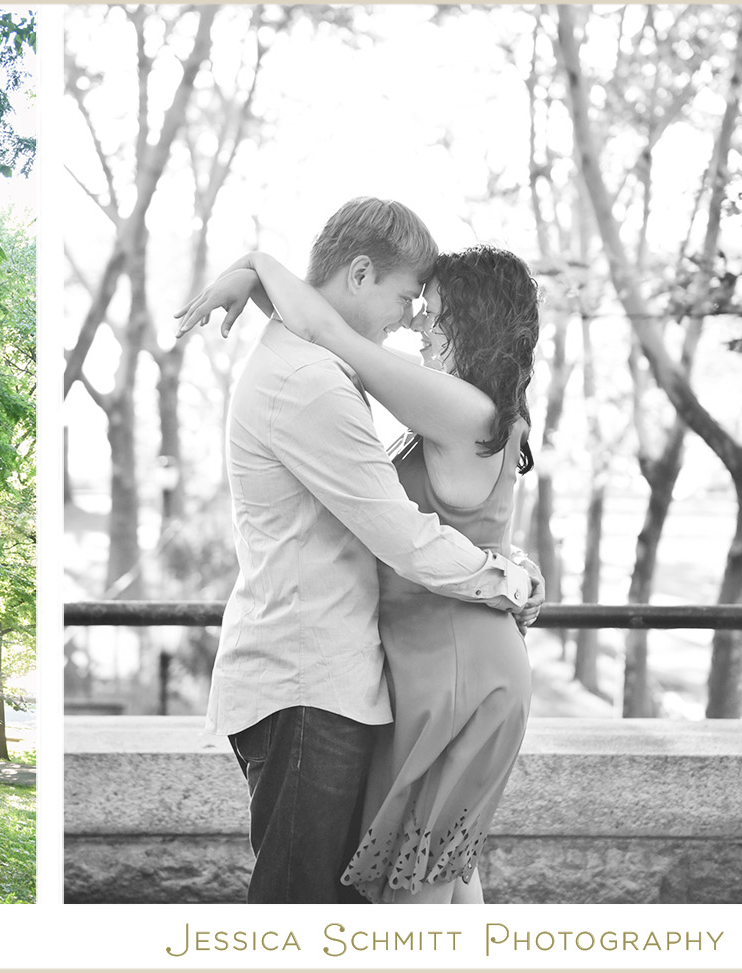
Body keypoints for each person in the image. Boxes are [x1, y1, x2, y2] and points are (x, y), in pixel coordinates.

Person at [172, 197, 542, 904]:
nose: (414, 322)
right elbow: (405, 533)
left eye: (430, 312)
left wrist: (255, 265)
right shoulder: (312, 379)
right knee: (394, 888)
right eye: (411, 301)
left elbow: (320, 326)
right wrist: (504, 573)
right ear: (364, 271)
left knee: (418, 887)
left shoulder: (449, 403)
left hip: (444, 668)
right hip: (330, 676)